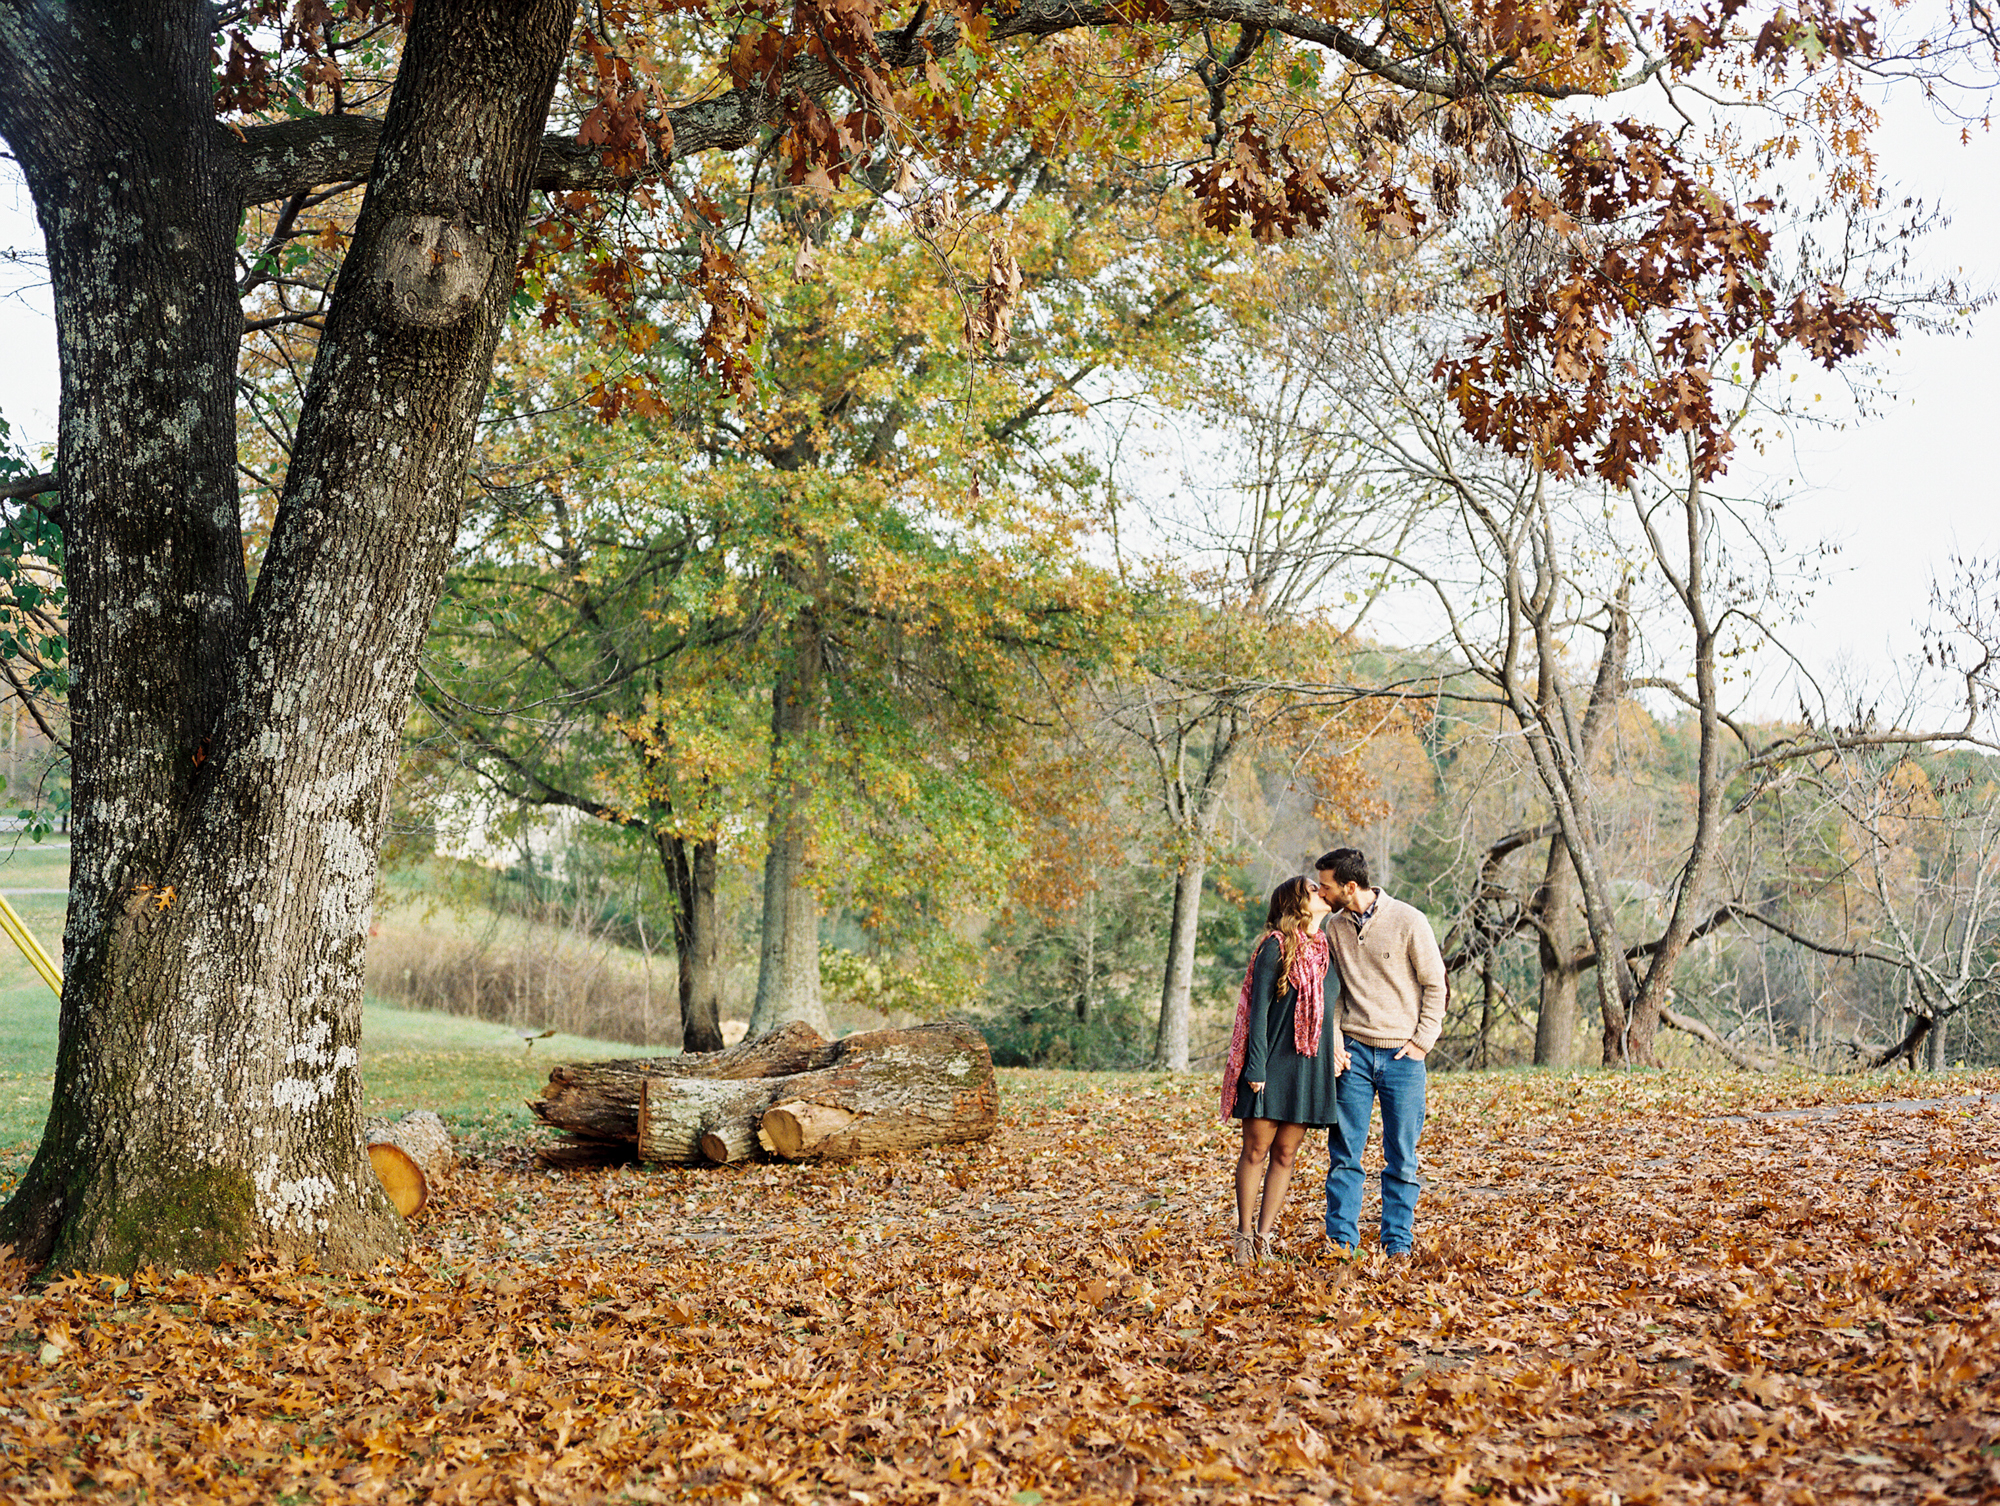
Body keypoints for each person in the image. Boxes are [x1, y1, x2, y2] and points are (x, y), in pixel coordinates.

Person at [1314, 847, 1447, 1259]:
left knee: (1401, 1158)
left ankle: (1397, 1245)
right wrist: (1334, 1038)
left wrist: (1423, 1040)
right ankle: (1341, 1244)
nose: (1320, 893)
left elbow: (1435, 984)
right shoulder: (1333, 928)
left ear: (1350, 887)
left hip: (1402, 1060)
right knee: (1345, 1156)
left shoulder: (1409, 921)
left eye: (1326, 886)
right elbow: (1334, 994)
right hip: (1353, 1054)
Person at [1219, 876, 1348, 1267]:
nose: (1321, 892)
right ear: (1298, 902)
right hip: (1272, 1063)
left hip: (1309, 1065)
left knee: (1286, 1154)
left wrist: (1336, 1046)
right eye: (1313, 889)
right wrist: (1254, 1067)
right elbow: (1257, 1014)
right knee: (1256, 1150)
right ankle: (1243, 1235)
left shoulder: (1326, 950)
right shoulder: (1274, 947)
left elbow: (1330, 1011)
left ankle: (1264, 1237)